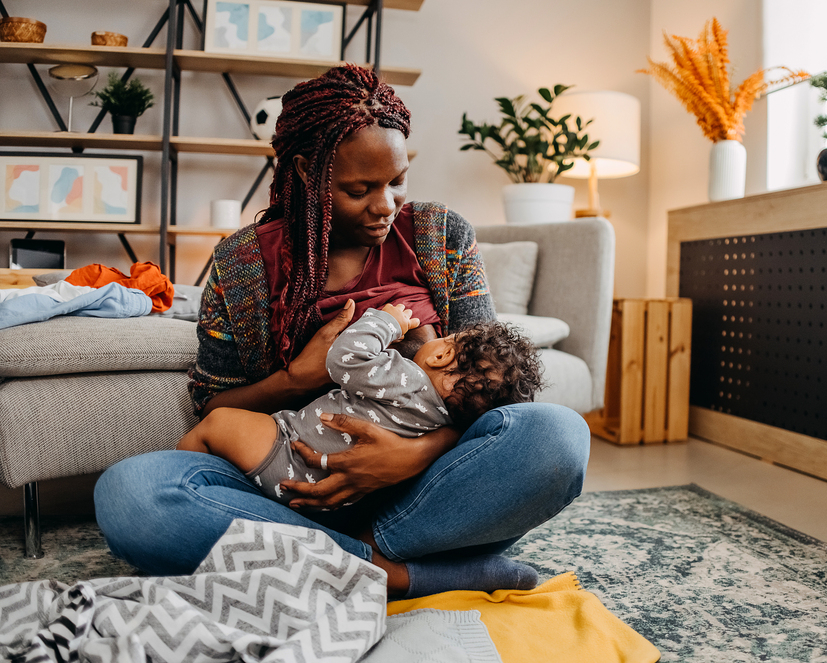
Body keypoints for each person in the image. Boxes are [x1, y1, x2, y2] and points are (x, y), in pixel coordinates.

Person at [94, 63, 590, 599]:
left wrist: (412, 455)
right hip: (288, 487)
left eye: (397, 182)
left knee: (557, 436)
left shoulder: (440, 235)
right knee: (132, 494)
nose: (385, 205)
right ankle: (390, 572)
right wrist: (296, 378)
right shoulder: (244, 262)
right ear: (307, 172)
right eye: (359, 189)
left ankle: (337, 560)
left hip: (421, 493)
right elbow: (213, 406)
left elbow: (488, 387)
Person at [176, 301, 544, 506]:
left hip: (288, 451)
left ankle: (178, 474)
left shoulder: (407, 379)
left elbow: (345, 358)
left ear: (440, 356)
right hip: (333, 494)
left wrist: (388, 322)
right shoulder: (439, 420)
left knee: (217, 424)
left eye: (447, 338)